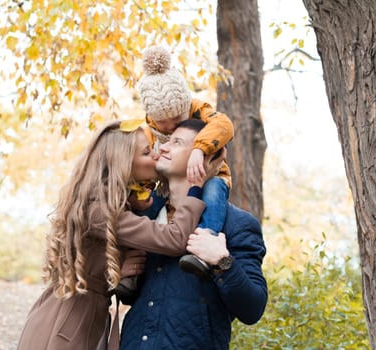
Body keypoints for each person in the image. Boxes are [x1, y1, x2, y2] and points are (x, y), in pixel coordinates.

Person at [16, 120, 222, 350]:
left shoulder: (110, 202)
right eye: (146, 152)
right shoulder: (100, 210)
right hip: (65, 325)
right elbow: (173, 239)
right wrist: (195, 188)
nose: (155, 155)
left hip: (77, 318)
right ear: (123, 163)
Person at [120, 119, 268, 350]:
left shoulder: (237, 224)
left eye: (177, 143)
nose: (164, 148)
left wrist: (222, 261)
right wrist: (121, 271)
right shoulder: (145, 213)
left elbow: (253, 308)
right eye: (167, 142)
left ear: (205, 156)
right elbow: (136, 296)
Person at [137, 45, 235, 276]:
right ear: (152, 117)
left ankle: (203, 245)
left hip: (211, 174)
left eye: (177, 118)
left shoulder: (199, 109)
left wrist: (199, 149)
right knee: (145, 206)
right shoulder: (148, 130)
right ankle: (133, 267)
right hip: (165, 183)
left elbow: (223, 125)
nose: (171, 127)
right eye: (163, 122)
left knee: (213, 190)